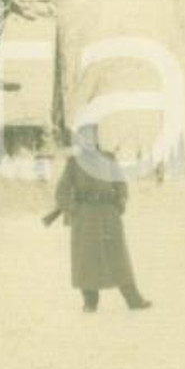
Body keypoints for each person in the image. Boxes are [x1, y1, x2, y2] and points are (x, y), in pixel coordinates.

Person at [54, 124, 151, 314]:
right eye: (84, 137)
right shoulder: (74, 163)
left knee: (118, 258)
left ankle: (133, 299)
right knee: (87, 261)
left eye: (92, 136)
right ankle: (90, 302)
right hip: (86, 217)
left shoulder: (108, 159)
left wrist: (120, 201)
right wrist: (73, 210)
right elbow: (61, 192)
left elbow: (120, 183)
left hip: (108, 214)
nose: (89, 140)